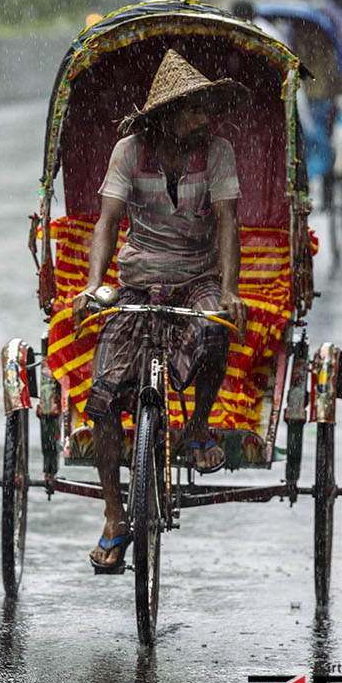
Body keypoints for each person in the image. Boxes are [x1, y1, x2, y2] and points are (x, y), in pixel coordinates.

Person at [71, 49, 250, 571]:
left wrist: (231, 288)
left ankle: (195, 428)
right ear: (166, 116)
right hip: (137, 280)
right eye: (194, 109)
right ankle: (112, 514)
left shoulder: (216, 152)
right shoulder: (129, 152)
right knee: (104, 397)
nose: (204, 119)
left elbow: (227, 221)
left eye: (205, 109)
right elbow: (107, 222)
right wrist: (93, 285)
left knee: (217, 322)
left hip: (196, 277)